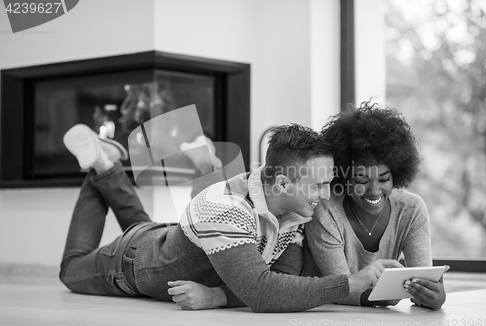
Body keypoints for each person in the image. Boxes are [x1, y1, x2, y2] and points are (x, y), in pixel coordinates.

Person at [59, 122, 402, 313]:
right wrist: (351, 282)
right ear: (282, 181)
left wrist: (217, 296)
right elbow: (262, 291)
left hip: (169, 242)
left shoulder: (296, 209)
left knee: (147, 228)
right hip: (132, 265)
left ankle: (105, 164)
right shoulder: (224, 209)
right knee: (71, 269)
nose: (325, 196)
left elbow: (284, 276)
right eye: (318, 185)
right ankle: (102, 166)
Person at [303, 101, 447, 309]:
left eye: (383, 179)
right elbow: (340, 288)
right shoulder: (326, 210)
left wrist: (433, 296)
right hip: (319, 314)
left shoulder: (411, 210)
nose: (374, 190)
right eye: (361, 181)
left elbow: (423, 279)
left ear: (396, 175)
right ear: (344, 179)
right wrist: (377, 297)